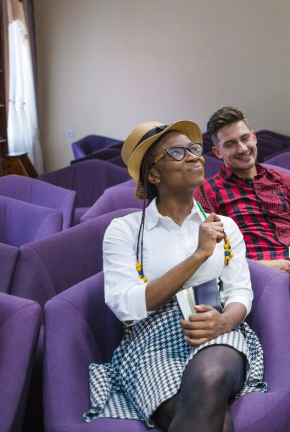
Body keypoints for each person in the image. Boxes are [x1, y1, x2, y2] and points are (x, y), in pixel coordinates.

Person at [87, 120, 265, 431]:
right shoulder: (124, 230)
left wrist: (224, 321)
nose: (195, 157)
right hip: (149, 343)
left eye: (195, 149)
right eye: (178, 152)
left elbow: (240, 292)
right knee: (214, 418)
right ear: (153, 174)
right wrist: (198, 255)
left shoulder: (225, 225)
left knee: (210, 378)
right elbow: (126, 305)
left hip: (215, 327)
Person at [196, 106, 290, 418]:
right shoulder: (207, 192)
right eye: (230, 144)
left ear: (254, 137)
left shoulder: (283, 181)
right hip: (254, 277)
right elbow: (210, 253)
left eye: (244, 138)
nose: (242, 148)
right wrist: (260, 267)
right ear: (217, 151)